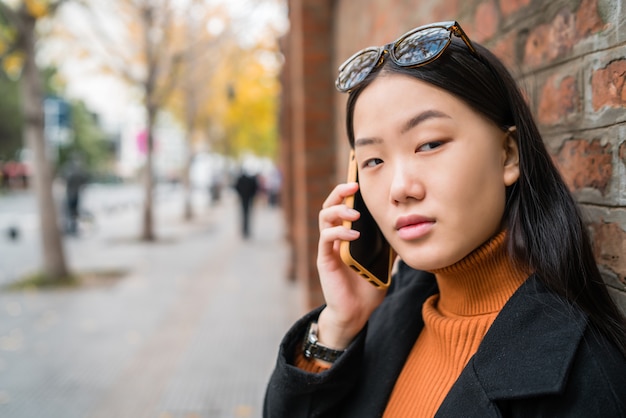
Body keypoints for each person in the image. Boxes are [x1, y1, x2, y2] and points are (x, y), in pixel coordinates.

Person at [264, 21, 626, 417]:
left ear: (508, 154)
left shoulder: (585, 380)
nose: (399, 187)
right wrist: (338, 326)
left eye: (430, 144)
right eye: (373, 160)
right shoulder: (393, 311)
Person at [234, 168, 259, 238]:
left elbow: (236, 187)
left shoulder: (241, 179)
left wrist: (240, 194)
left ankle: (244, 230)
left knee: (244, 214)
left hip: (244, 198)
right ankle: (246, 230)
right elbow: (255, 187)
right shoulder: (250, 179)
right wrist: (252, 195)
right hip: (249, 198)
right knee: (247, 214)